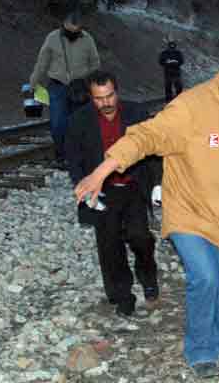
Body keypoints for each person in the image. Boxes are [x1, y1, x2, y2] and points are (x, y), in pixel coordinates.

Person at [72, 50, 219, 379]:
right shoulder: (190, 108)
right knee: (205, 279)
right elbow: (145, 137)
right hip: (188, 212)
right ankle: (199, 351)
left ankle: (218, 345)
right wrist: (101, 172)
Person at [65, 70, 161, 317]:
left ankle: (149, 280)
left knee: (141, 237)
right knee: (109, 245)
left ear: (117, 92)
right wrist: (83, 186)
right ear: (91, 97)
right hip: (102, 192)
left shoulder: (136, 113)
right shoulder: (79, 120)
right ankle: (121, 295)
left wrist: (157, 183)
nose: (105, 103)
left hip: (133, 186)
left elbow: (153, 150)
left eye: (109, 96)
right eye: (99, 99)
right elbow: (74, 159)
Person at [29, 9, 101, 166]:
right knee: (57, 123)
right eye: (69, 31)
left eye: (76, 31)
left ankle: (75, 156)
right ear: (64, 25)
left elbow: (95, 63)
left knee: (78, 124)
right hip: (57, 85)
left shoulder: (88, 39)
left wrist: (88, 81)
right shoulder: (52, 38)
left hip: (80, 87)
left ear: (80, 28)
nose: (72, 34)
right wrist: (33, 83)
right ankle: (61, 155)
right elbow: (42, 63)